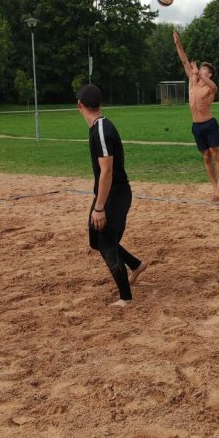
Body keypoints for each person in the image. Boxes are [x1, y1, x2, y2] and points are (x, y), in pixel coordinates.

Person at [77, 83, 146, 306]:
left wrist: (99, 207)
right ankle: (136, 265)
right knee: (95, 240)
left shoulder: (101, 130)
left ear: (79, 105)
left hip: (115, 196)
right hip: (107, 194)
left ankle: (125, 297)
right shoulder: (98, 127)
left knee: (107, 245)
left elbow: (107, 171)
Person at [173, 30, 219, 202]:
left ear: (209, 74)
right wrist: (178, 44)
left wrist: (200, 74)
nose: (200, 70)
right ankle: (214, 188)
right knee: (206, 157)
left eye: (204, 70)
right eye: (201, 68)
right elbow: (184, 60)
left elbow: (215, 87)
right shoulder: (192, 80)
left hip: (209, 124)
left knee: (215, 154)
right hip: (196, 126)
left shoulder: (210, 87)